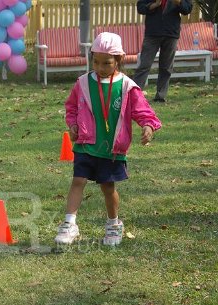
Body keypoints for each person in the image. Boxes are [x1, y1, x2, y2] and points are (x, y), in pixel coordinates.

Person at [56, 32, 162, 246]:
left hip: (111, 148)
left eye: (107, 63)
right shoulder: (83, 83)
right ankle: (69, 223)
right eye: (96, 62)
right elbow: (72, 107)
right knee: (78, 181)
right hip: (86, 143)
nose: (100, 67)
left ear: (118, 61)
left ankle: (114, 224)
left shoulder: (126, 86)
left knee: (107, 187)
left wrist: (148, 126)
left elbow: (142, 110)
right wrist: (73, 124)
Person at [133, 0, 193, 102]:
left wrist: (178, 2)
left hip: (171, 33)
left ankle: (160, 96)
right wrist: (154, 5)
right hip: (152, 33)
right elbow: (140, 8)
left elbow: (187, 9)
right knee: (144, 65)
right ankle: (134, 96)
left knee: (166, 67)